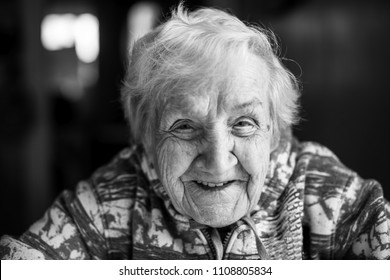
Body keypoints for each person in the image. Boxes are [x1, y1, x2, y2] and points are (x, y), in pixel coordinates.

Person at [1, 4, 389, 260]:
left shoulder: (324, 190)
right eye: (185, 126)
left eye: (244, 123)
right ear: (148, 138)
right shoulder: (109, 200)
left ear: (274, 131)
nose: (218, 161)